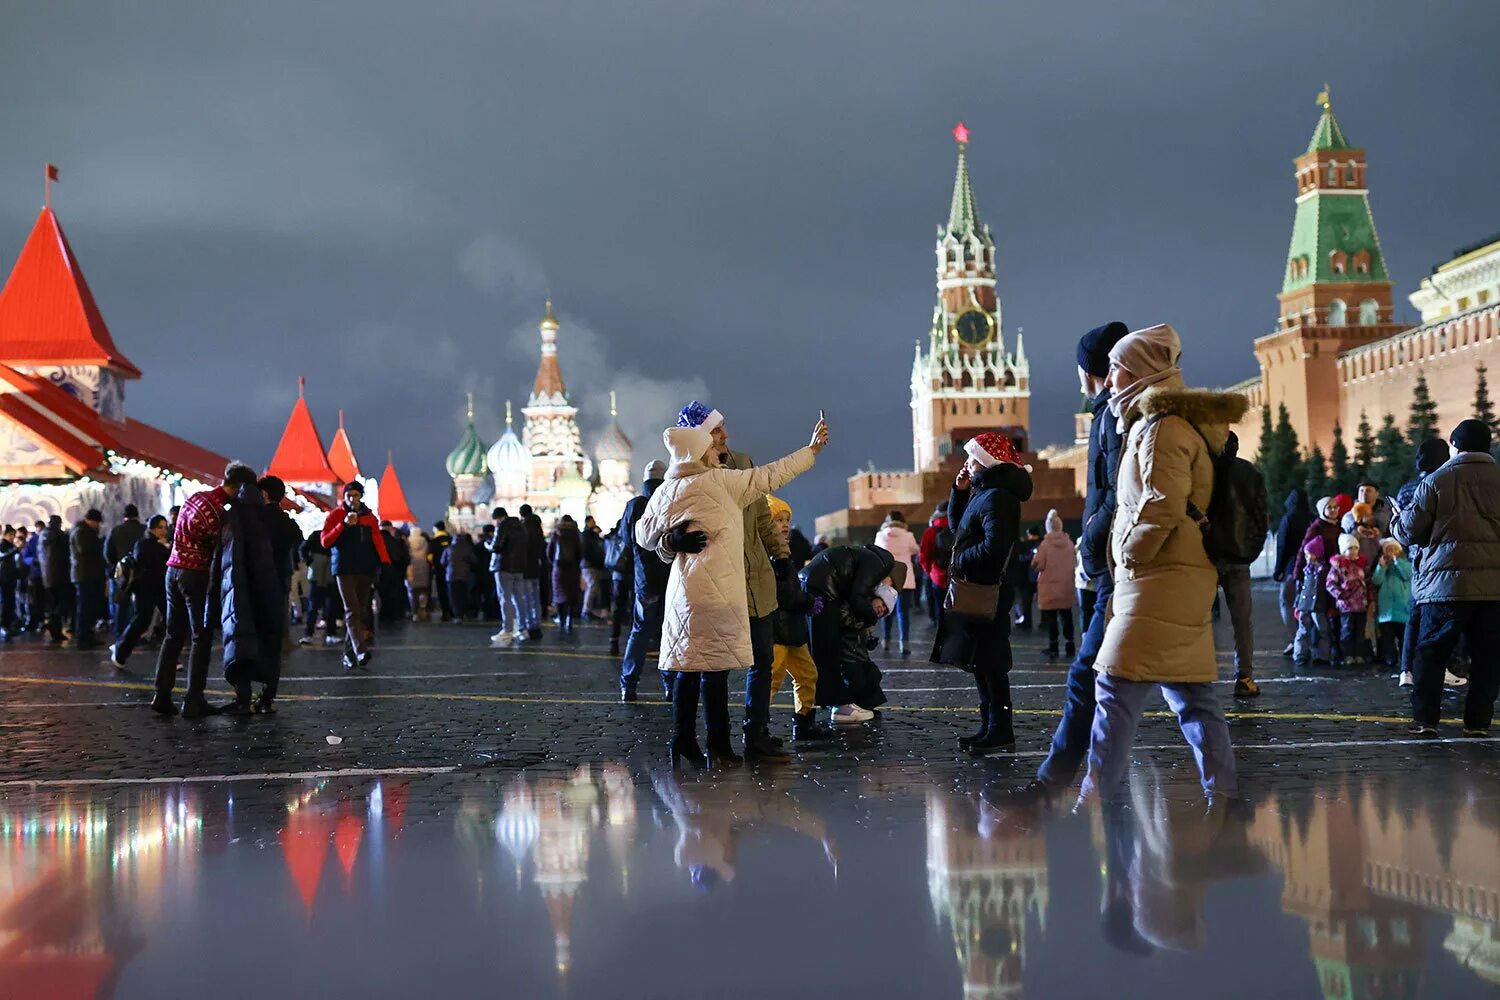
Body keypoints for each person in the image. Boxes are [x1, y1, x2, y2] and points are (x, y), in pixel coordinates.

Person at [1079, 323, 1245, 807]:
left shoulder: (1162, 427)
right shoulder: (1157, 422)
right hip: (1178, 576)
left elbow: (1161, 504)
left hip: (1158, 578)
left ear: (1140, 371)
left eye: (1115, 369)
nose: (1108, 380)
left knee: (1112, 688)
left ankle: (1091, 802)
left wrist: (1128, 552)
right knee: (1191, 695)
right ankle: (1225, 796)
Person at [635, 416, 823, 768]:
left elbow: (642, 536)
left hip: (684, 593)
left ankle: (683, 740)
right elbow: (772, 475)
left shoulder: (667, 489)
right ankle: (718, 746)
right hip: (718, 592)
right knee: (715, 672)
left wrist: (670, 538)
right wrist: (810, 451)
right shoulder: (721, 482)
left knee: (688, 669)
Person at [1031, 320, 1129, 792]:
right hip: (1110, 565)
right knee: (1170, 688)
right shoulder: (1107, 414)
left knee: (1087, 676)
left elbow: (1115, 492)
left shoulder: (1112, 416)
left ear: (1089, 369)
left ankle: (1053, 782)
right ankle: (1096, 778)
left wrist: (1089, 538)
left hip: (1112, 565)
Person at [676, 400, 793, 759]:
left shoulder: (743, 464)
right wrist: (671, 541)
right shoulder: (684, 474)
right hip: (717, 584)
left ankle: (755, 734)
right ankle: (718, 740)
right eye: (715, 430)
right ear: (697, 438)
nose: (724, 435)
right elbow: (658, 527)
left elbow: (760, 518)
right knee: (716, 667)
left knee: (762, 660)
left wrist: (782, 555)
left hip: (754, 579)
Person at [1396, 418, 1500, 738]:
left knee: (1431, 652)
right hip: (1493, 589)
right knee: (1488, 656)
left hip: (1444, 587)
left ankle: (1425, 719)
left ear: (1454, 445)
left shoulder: (1437, 480)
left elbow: (1409, 531)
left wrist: (1396, 525)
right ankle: (1478, 723)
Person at [932, 432, 1032, 755]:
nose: (967, 464)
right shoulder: (983, 492)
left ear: (986, 461)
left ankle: (1001, 731)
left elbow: (994, 546)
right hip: (979, 588)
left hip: (989, 590)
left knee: (991, 663)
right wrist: (958, 492)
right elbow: (958, 527)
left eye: (972, 458)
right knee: (980, 661)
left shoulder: (998, 497)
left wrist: (958, 561)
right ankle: (990, 726)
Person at [154, 462, 261, 717]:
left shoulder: (196, 498)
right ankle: (193, 698)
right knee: (200, 637)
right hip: (195, 574)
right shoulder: (218, 511)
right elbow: (219, 544)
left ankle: (162, 694)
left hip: (173, 570)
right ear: (239, 488)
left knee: (172, 635)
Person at [804, 543, 903, 725]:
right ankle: (840, 706)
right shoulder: (876, 564)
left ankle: (846, 704)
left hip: (818, 585)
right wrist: (870, 619)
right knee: (828, 655)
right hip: (823, 589)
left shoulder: (863, 560)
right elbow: (856, 599)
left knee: (858, 670)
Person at [766, 496, 834, 742]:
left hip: (792, 628)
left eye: (787, 520)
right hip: (776, 629)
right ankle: (757, 729)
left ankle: (804, 722)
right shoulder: (768, 553)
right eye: (778, 520)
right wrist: (806, 601)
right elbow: (782, 594)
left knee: (807, 674)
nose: (785, 525)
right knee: (771, 680)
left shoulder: (785, 551)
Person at [218, 473, 282, 714]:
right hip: (269, 590)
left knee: (239, 641)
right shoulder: (271, 519)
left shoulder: (232, 516)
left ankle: (242, 697)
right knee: (269, 641)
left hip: (235, 589)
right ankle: (267, 697)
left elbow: (222, 557)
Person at [1392, 438, 1453, 690]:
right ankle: (1441, 669)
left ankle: (1406, 669)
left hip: (1417, 559)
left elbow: (1405, 529)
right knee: (1440, 619)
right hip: (1441, 559)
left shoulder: (1407, 488)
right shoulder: (1444, 484)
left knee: (1415, 616)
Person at [1212, 431, 1268, 696]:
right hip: (1238, 558)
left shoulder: (1203, 471)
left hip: (1206, 555)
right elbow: (1261, 518)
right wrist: (1251, 550)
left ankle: (1194, 679)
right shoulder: (1250, 473)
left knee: (1196, 620)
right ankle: (1244, 677)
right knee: (1242, 622)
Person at [321, 480, 390, 671]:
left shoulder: (369, 518)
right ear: (344, 497)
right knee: (352, 610)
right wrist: (343, 525)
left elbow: (377, 539)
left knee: (361, 610)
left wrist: (384, 562)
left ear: (361, 497)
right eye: (349, 495)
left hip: (365, 568)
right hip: (344, 569)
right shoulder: (336, 515)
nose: (352, 499)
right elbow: (325, 542)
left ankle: (348, 654)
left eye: (356, 495)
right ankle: (360, 650)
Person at [619, 460, 672, 702]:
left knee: (639, 632)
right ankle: (670, 685)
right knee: (668, 634)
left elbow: (627, 542)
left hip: (644, 581)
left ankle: (628, 684)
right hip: (670, 578)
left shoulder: (634, 505)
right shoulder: (670, 501)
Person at [1293, 496, 1345, 664]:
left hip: (1331, 576)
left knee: (1324, 619)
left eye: (1335, 507)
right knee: (1307, 621)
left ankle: (1324, 654)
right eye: (1329, 507)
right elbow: (1304, 550)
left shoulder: (1338, 527)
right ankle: (1303, 653)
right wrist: (1298, 575)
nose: (1333, 510)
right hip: (1313, 580)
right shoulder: (1316, 527)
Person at [108, 516, 166, 664]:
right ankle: (120, 651)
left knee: (169, 621)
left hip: (161, 588)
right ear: (152, 528)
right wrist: (163, 549)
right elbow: (145, 560)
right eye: (160, 527)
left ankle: (171, 659)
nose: (164, 530)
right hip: (145, 588)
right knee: (141, 621)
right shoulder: (144, 544)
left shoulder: (161, 544)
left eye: (165, 527)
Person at [1030, 509, 1077, 660]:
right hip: (1066, 586)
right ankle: (1070, 646)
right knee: (1067, 617)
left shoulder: (1045, 545)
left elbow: (1038, 564)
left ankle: (1053, 647)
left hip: (1049, 588)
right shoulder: (1069, 543)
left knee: (1051, 620)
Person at [1272, 488, 1314, 656]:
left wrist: (1278, 570)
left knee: (1286, 601)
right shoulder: (1313, 519)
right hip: (1310, 567)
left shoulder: (1288, 518)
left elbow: (1282, 546)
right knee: (1306, 605)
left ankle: (1294, 638)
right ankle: (1308, 640)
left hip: (1291, 567)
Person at [874, 511, 920, 655]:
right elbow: (916, 550)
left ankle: (886, 640)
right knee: (903, 612)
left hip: (886, 579)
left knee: (886, 610)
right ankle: (904, 643)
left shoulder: (880, 535)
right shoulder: (908, 535)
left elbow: (875, 552)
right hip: (905, 579)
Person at [1324, 533, 1370, 667]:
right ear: (1344, 551)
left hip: (1361, 605)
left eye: (1356, 548)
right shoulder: (1339, 566)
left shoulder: (1361, 565)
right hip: (1347, 606)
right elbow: (1330, 584)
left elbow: (1368, 582)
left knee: (1360, 632)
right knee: (1347, 631)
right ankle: (1347, 654)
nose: (1353, 551)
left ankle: (1359, 654)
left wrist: (1369, 599)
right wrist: (1341, 594)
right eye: (1350, 548)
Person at [487, 507, 528, 645]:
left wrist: (488, 544)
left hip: (503, 566)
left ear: (498, 518)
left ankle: (507, 630)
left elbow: (496, 546)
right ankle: (522, 628)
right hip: (519, 567)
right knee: (519, 598)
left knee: (505, 598)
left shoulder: (503, 526)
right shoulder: (521, 527)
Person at [104, 504, 146, 636]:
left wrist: (115, 565)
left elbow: (107, 552)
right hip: (141, 571)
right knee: (140, 604)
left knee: (121, 604)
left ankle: (120, 633)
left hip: (121, 572)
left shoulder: (116, 530)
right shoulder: (143, 530)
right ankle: (137, 634)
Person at [69, 509, 107, 650]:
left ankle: (88, 636)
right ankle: (82, 638)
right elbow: (85, 549)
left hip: (88, 574)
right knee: (84, 608)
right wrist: (100, 542)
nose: (98, 525)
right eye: (97, 522)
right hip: (84, 575)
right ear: (91, 520)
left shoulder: (83, 531)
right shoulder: (81, 532)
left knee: (90, 608)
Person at [1373, 539, 1412, 671]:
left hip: (1403, 607)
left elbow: (1408, 575)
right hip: (1386, 610)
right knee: (1387, 637)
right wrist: (1381, 567)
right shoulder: (1383, 565)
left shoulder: (1406, 563)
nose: (1391, 552)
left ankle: (1405, 659)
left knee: (1403, 636)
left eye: (1394, 549)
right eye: (1388, 549)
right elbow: (1376, 581)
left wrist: (1398, 561)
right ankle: (1390, 657)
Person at [1292, 537, 1329, 670]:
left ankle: (1322, 655)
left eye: (1309, 553)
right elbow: (1300, 589)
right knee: (1303, 630)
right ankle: (1300, 654)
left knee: (1322, 630)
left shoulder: (1323, 571)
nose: (1307, 556)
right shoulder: (1306, 571)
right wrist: (1297, 605)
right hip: (1305, 605)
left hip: (1318, 606)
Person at [299, 533, 339, 644]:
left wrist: (309, 561)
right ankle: (329, 634)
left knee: (316, 606)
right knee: (327, 605)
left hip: (318, 573)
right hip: (328, 573)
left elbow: (303, 548)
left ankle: (310, 634)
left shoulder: (316, 535)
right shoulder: (334, 535)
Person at [548, 515, 584, 635]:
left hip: (559, 569)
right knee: (571, 594)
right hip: (572, 568)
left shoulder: (556, 533)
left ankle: (561, 619)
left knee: (559, 594)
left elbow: (549, 552)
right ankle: (569, 619)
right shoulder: (575, 534)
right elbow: (580, 552)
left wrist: (554, 563)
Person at [918, 501, 951, 628]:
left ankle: (941, 637)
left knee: (940, 607)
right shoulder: (961, 527)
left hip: (938, 575)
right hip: (959, 576)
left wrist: (930, 572)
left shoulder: (930, 531)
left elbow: (923, 556)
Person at [518, 505, 546, 640]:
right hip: (536, 567)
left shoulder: (523, 528)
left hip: (525, 568)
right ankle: (536, 625)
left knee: (526, 599)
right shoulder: (538, 528)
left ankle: (528, 627)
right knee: (535, 599)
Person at [442, 529, 480, 622]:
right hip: (464, 575)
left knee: (453, 596)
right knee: (463, 595)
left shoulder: (449, 548)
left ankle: (457, 615)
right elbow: (474, 560)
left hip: (451, 576)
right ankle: (463, 613)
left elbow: (442, 561)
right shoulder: (467, 549)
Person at [377, 521, 410, 623]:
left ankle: (383, 615)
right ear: (390, 529)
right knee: (394, 596)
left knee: (382, 597)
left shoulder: (375, 542)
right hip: (396, 574)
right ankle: (394, 615)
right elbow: (405, 559)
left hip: (379, 574)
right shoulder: (398, 542)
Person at [1008, 527, 1040, 629]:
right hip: (1036, 577)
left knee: (1023, 602)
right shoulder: (1040, 544)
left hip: (1022, 579)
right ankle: (1042, 622)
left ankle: (1024, 621)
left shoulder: (1021, 545)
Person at [581, 514, 607, 620]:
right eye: (592, 521)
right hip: (589, 564)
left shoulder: (589, 534)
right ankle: (586, 611)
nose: (594, 522)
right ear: (588, 522)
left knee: (592, 587)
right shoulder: (587, 535)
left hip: (589, 564)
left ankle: (587, 610)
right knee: (592, 587)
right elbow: (590, 550)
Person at [428, 521, 453, 621]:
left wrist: (434, 565)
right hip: (451, 570)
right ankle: (452, 610)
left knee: (441, 590)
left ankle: (445, 611)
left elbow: (430, 557)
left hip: (439, 570)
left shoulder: (433, 541)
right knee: (451, 590)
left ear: (436, 529)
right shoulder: (451, 539)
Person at [405, 527, 432, 623]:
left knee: (412, 592)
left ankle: (414, 613)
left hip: (411, 568)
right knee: (423, 590)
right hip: (424, 567)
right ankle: (423, 609)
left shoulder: (408, 541)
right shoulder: (424, 541)